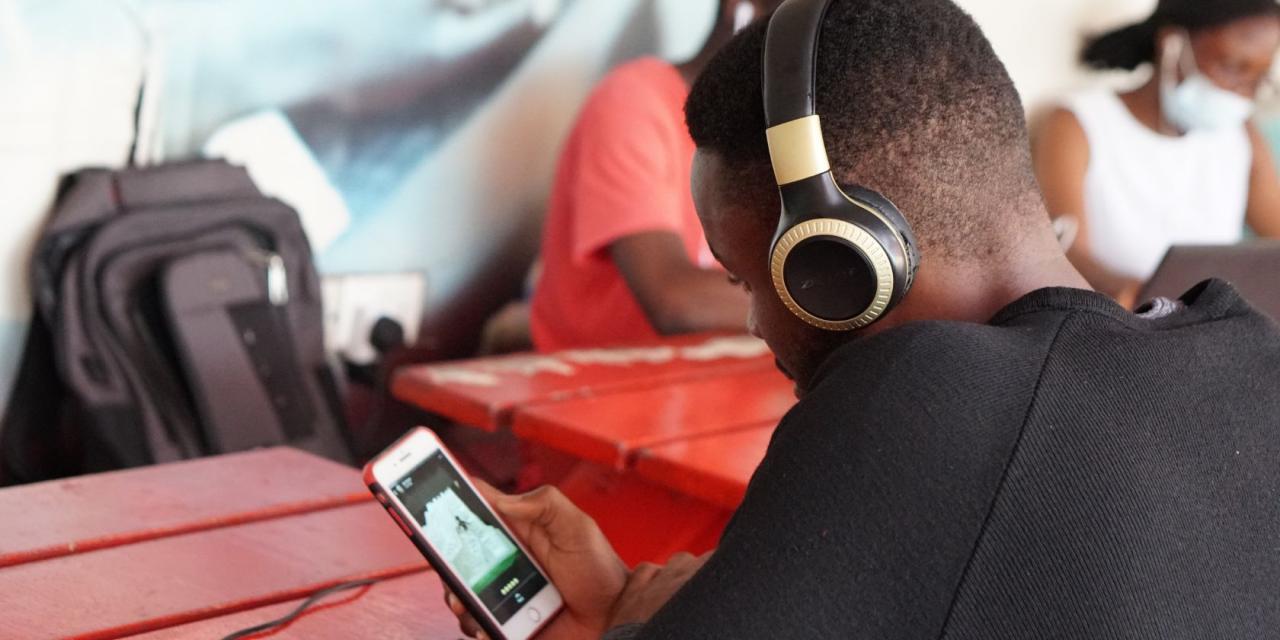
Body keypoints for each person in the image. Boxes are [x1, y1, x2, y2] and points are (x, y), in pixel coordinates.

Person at [446, 0, 1280, 638]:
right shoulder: (1245, 351)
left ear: (839, 260)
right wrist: (636, 603)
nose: (756, 325)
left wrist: (625, 622)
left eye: (746, 280)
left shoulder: (917, 396)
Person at [528, 1, 785, 352]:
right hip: (598, 388)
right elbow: (675, 300)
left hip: (702, 383)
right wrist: (820, 303)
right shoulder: (634, 98)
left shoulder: (775, 130)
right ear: (742, 8)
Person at [1036, 0, 1280, 308]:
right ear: (1172, 44)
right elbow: (1066, 251)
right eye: (1232, 68)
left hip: (1211, 328)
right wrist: (1136, 294)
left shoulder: (1242, 135)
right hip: (1122, 323)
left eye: (1258, 79)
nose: (1242, 93)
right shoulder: (1078, 123)